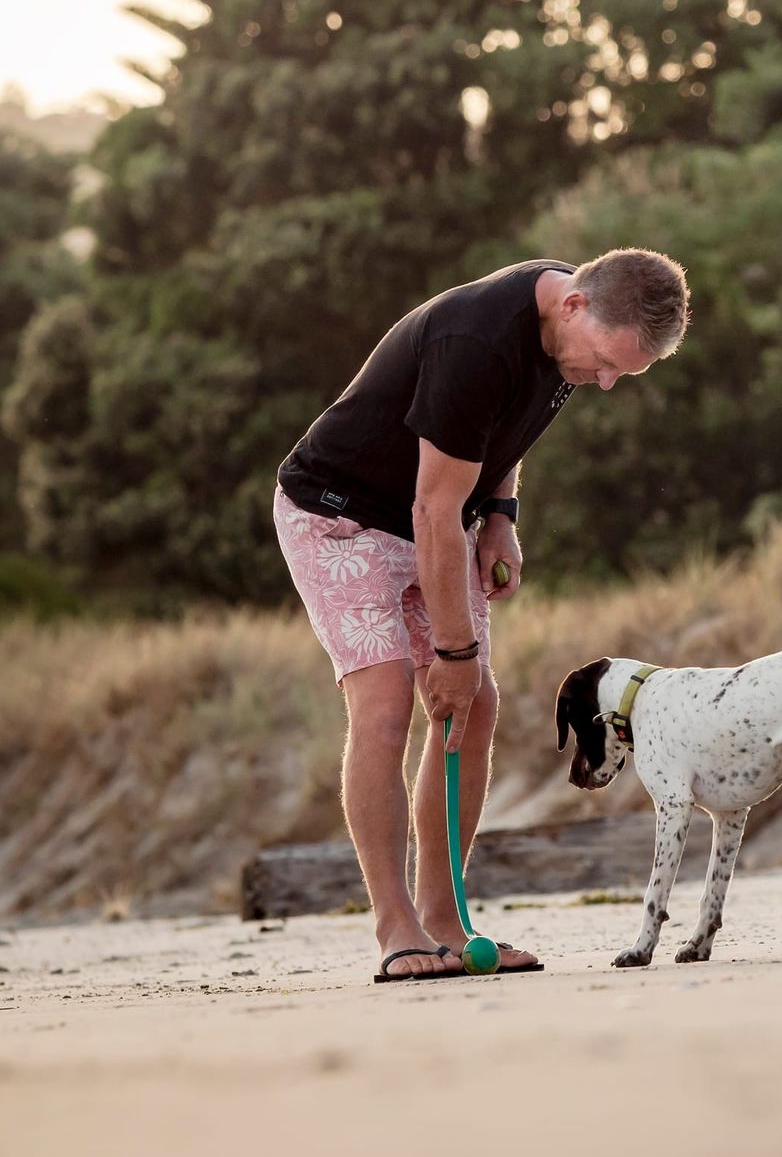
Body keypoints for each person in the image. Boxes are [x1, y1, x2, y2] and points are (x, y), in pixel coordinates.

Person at [273, 248, 690, 982]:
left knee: (476, 707)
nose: (607, 381)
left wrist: (500, 513)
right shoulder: (476, 341)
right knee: (389, 699)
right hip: (339, 515)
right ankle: (395, 926)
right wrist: (454, 656)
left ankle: (443, 918)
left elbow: (496, 438)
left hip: (435, 515)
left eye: (626, 372)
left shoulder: (568, 332)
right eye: (605, 362)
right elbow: (433, 509)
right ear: (574, 306)